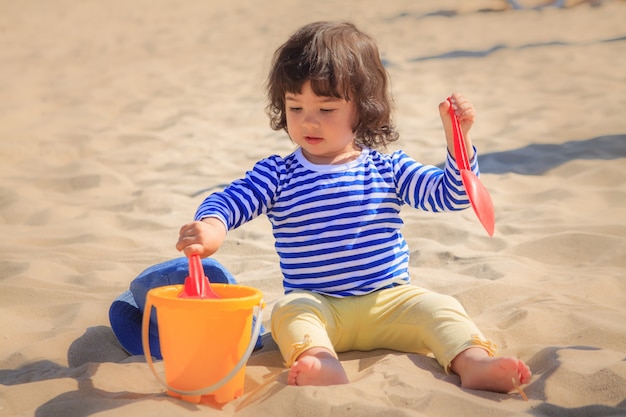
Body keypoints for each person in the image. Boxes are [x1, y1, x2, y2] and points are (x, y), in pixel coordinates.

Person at [176, 21, 532, 393]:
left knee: (440, 308)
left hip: (390, 301)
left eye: (326, 109)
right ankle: (322, 362)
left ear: (362, 110)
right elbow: (231, 199)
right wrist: (213, 226)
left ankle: (474, 363)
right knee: (287, 313)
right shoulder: (278, 174)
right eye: (295, 107)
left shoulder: (388, 168)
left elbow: (452, 195)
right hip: (319, 306)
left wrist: (458, 139)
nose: (308, 120)